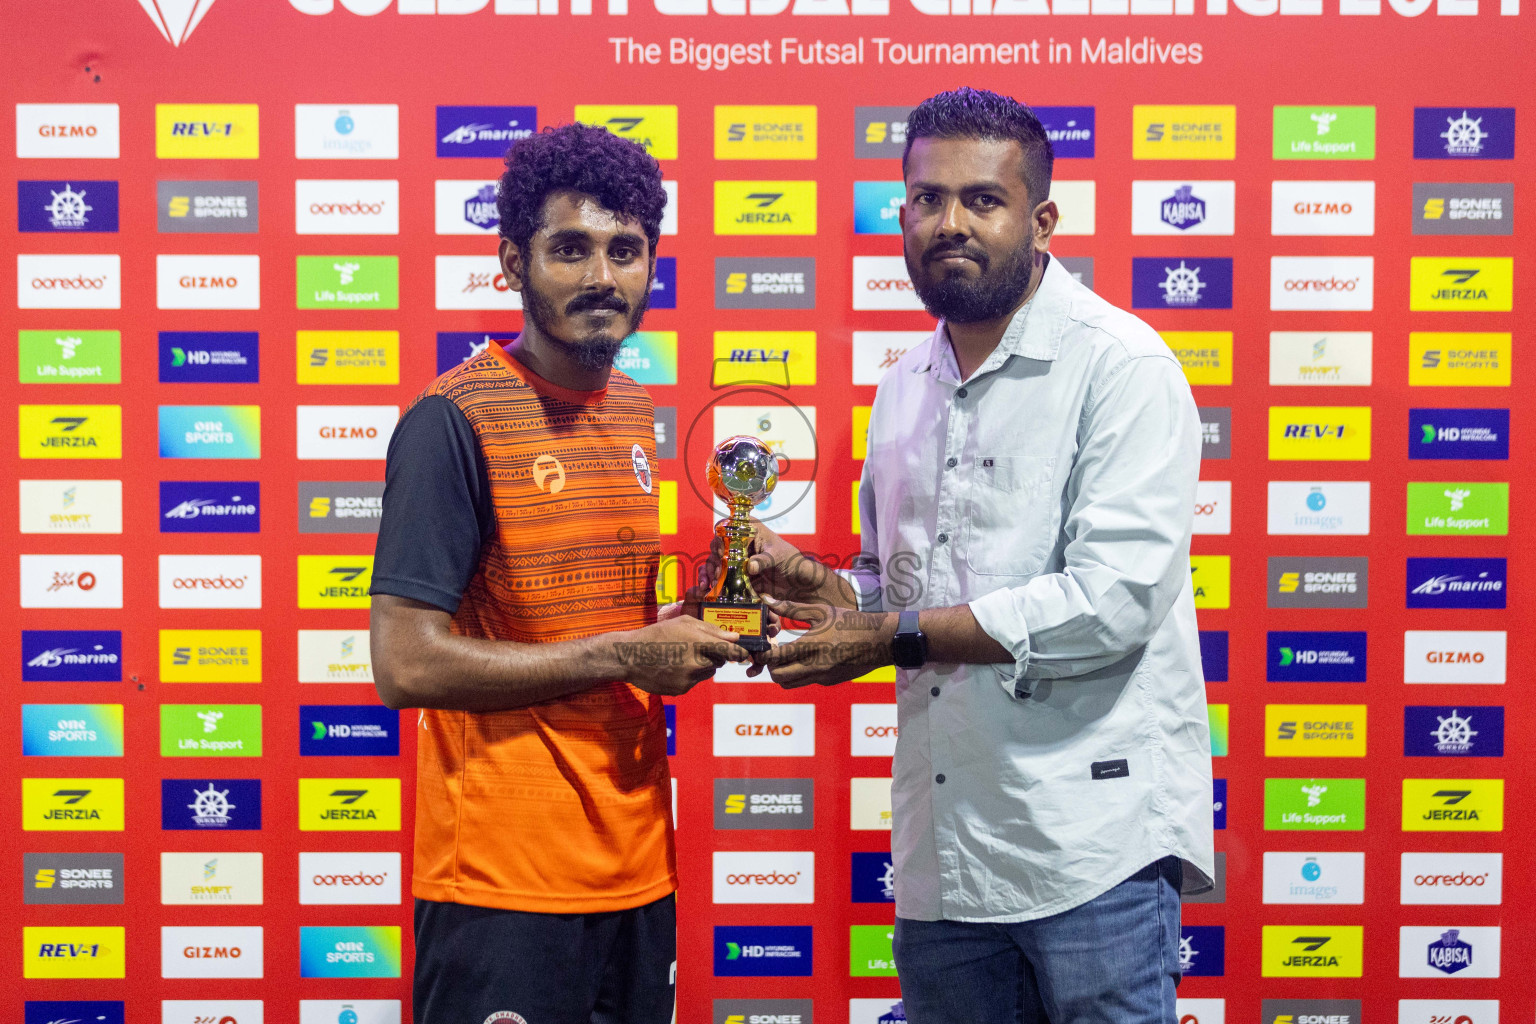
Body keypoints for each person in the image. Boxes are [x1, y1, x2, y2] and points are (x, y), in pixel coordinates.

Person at [745, 88, 1215, 1022]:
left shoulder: (1123, 367)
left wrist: (890, 638)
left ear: (1042, 219)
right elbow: (893, 594)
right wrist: (820, 590)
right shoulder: (902, 391)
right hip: (946, 855)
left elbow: (1109, 602)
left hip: (1093, 852)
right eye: (926, 198)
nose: (948, 222)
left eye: (981, 200)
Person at [368, 122, 747, 1024]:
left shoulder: (633, 406)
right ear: (511, 262)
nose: (601, 277)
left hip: (637, 868)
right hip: (503, 885)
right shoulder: (450, 420)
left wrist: (702, 611)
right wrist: (626, 653)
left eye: (625, 250)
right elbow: (405, 664)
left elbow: (594, 618)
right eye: (569, 249)